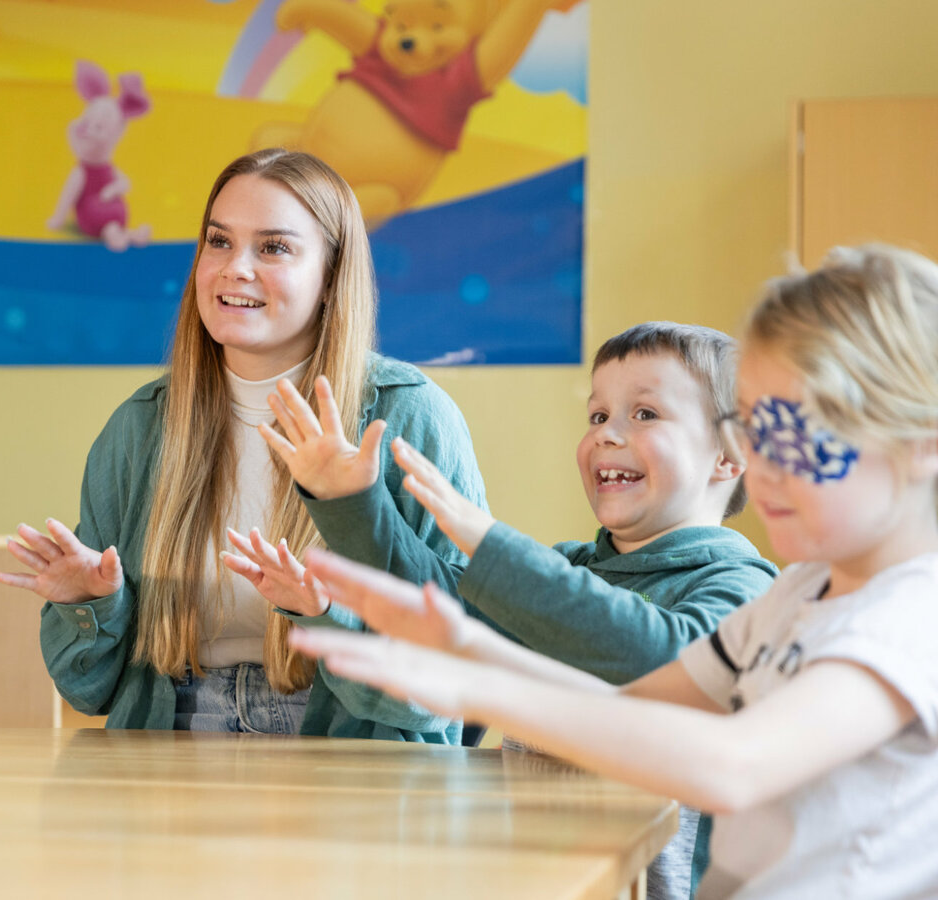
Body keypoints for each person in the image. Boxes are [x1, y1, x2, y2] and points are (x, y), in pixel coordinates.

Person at [291, 244, 938, 899]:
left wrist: (479, 686)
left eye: (800, 437)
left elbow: (730, 766)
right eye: (757, 434)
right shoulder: (802, 591)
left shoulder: (909, 619)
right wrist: (468, 650)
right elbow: (638, 704)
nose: (763, 466)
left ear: (923, 443)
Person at [232, 322, 778, 897]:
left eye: (644, 414)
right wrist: (354, 508)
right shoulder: (569, 570)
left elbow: (665, 660)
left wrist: (490, 544)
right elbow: (442, 612)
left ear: (731, 457)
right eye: (598, 416)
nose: (608, 435)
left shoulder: (740, 585)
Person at [0, 148, 485, 742]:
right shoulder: (142, 426)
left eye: (273, 247)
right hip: (171, 733)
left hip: (349, 738)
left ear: (331, 277)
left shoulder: (409, 415)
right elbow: (87, 691)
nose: (234, 268)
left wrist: (328, 620)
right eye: (219, 242)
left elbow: (455, 679)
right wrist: (93, 605)